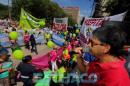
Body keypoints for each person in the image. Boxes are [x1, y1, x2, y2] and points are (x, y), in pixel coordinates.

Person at [77, 21, 130, 86]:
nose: (88, 45)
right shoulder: (100, 59)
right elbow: (87, 73)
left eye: (92, 42)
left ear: (106, 48)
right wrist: (79, 57)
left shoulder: (116, 79)